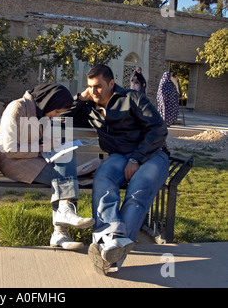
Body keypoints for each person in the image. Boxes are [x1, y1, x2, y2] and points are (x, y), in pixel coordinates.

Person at [65, 64, 170, 274]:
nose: (94, 91)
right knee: (103, 178)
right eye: (90, 87)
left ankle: (111, 257)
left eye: (98, 86)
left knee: (137, 192)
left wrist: (136, 158)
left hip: (151, 154)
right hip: (119, 158)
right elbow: (60, 117)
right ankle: (109, 239)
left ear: (112, 83)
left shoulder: (132, 98)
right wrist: (79, 98)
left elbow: (158, 129)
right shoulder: (89, 107)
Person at [0, 83, 95, 251]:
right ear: (49, 102)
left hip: (34, 158)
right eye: (56, 111)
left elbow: (39, 141)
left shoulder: (42, 113)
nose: (55, 116)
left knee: (67, 156)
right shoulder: (17, 108)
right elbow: (9, 149)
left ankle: (63, 217)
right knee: (66, 178)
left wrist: (52, 145)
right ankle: (60, 229)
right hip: (12, 162)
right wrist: (43, 147)